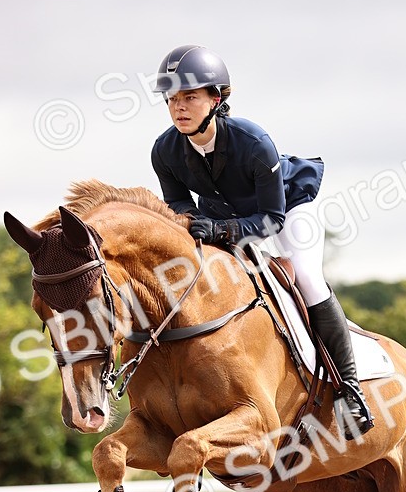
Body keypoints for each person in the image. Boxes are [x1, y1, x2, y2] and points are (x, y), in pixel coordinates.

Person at [151, 44, 374, 439]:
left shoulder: (254, 143)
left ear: (215, 99)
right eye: (172, 99)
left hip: (287, 210)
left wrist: (221, 230)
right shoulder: (165, 150)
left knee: (306, 277)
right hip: (223, 216)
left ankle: (349, 390)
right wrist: (195, 227)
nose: (178, 107)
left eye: (189, 97)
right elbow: (180, 211)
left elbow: (272, 219)